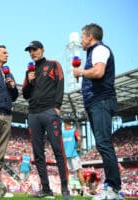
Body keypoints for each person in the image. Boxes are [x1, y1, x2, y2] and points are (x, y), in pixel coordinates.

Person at [73, 23, 123, 200]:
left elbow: (99, 71)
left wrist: (81, 72)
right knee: (102, 144)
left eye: (82, 36)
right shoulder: (92, 52)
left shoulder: (100, 50)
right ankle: (113, 187)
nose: (81, 40)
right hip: (95, 102)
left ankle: (113, 188)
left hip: (101, 101)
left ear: (90, 37)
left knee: (103, 143)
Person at [22, 40, 72, 200]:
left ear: (42, 50)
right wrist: (29, 81)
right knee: (38, 153)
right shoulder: (29, 71)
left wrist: (57, 106)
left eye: (35, 49)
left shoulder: (53, 64)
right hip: (33, 114)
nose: (32, 52)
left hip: (50, 112)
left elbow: (61, 83)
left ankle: (65, 189)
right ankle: (46, 189)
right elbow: (25, 94)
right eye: (30, 50)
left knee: (58, 150)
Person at [62, 120, 85, 195]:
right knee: (79, 171)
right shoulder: (74, 131)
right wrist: (77, 147)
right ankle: (84, 190)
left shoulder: (62, 132)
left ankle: (68, 190)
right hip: (74, 154)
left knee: (66, 173)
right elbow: (79, 139)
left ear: (65, 124)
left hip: (65, 155)